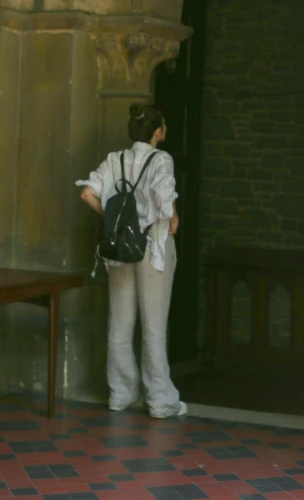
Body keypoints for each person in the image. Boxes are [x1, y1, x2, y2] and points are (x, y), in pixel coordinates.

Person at [76, 103, 187, 419]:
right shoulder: (160, 158)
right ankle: (160, 401)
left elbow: (86, 193)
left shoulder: (115, 159)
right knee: (154, 325)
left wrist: (114, 220)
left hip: (119, 249)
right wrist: (173, 219)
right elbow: (166, 200)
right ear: (157, 132)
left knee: (120, 323)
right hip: (153, 248)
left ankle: (121, 394)